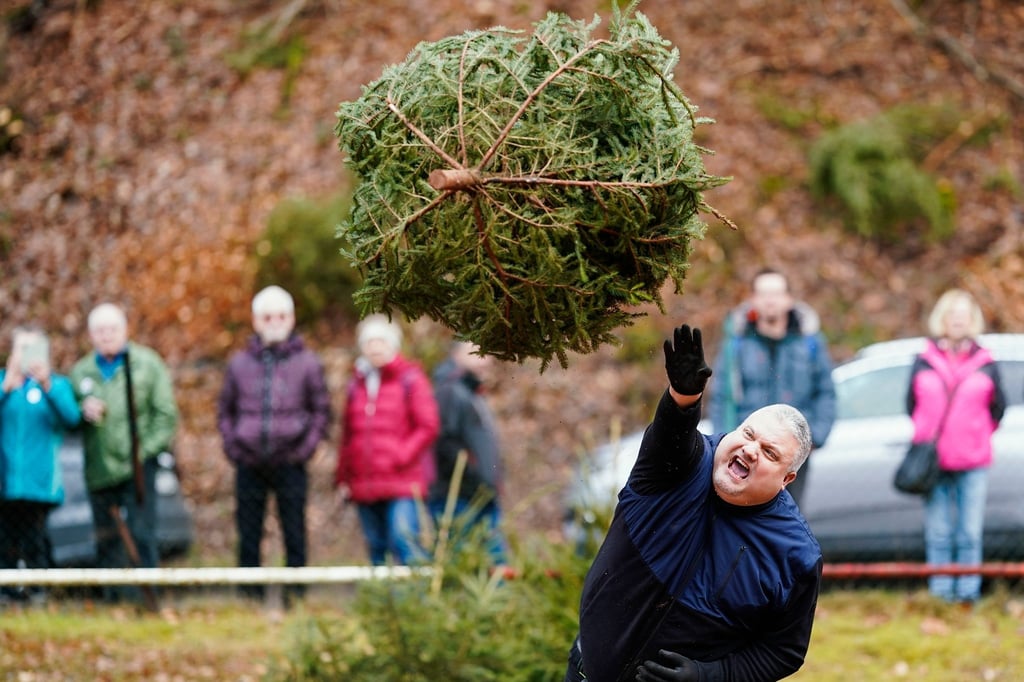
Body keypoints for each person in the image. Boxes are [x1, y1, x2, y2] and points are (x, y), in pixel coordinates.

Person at [566, 324, 821, 682]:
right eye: (748, 433)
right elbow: (672, 436)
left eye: (769, 452)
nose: (750, 449)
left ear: (787, 479)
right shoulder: (682, 467)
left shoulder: (794, 553)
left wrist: (710, 675)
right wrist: (683, 397)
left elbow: (784, 651)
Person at [217, 285, 332, 603]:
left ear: (291, 318)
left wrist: (304, 450)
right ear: (256, 321)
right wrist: (234, 448)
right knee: (248, 533)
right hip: (249, 462)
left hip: (290, 462)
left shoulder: (308, 363)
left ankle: (295, 598)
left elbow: (321, 411)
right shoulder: (239, 363)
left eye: (280, 316)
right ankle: (249, 598)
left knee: (294, 532)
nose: (274, 322)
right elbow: (225, 410)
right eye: (268, 316)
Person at [70, 303, 178, 603]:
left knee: (142, 533)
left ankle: (146, 600)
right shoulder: (81, 372)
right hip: (99, 468)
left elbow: (165, 415)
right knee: (106, 538)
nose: (106, 336)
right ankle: (112, 601)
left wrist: (143, 452)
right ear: (91, 335)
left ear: (125, 330)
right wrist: (82, 412)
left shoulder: (146, 364)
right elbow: (66, 416)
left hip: (139, 468)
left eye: (112, 329)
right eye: (100, 330)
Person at [907, 289, 1005, 604]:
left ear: (972, 320)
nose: (958, 320)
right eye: (953, 314)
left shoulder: (986, 362)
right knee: (938, 533)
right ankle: (940, 595)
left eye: (964, 314)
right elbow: (910, 404)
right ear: (943, 319)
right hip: (934, 462)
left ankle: (966, 596)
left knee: (969, 534)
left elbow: (998, 408)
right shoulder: (923, 361)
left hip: (973, 461)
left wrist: (976, 434)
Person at [708, 268, 836, 506]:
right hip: (745, 453)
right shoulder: (737, 344)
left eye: (776, 293)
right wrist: (723, 440)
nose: (770, 300)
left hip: (792, 452)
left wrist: (816, 437)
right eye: (763, 293)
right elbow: (722, 396)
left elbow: (826, 392)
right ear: (753, 299)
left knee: (788, 517)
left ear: (789, 299)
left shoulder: (810, 343)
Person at [336, 314, 439, 566]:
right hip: (365, 481)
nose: (375, 347)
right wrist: (343, 477)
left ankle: (415, 602)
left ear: (393, 344)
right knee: (376, 546)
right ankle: (382, 603)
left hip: (402, 480)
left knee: (403, 539)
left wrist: (401, 454)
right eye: (369, 342)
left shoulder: (410, 379)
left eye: (380, 341)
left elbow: (428, 425)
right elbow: (348, 435)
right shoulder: (357, 385)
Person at [0, 326, 81, 604]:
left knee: (35, 539)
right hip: (5, 481)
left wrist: (48, 385)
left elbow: (72, 419)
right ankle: (7, 594)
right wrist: (5, 388)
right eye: (21, 348)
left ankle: (39, 592)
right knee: (5, 541)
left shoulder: (55, 386)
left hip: (40, 483)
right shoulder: (4, 383)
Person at [428, 340, 507, 566]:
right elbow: (446, 442)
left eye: (486, 353)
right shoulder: (450, 390)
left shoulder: (471, 390)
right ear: (456, 355)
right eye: (475, 353)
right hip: (460, 496)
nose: (485, 360)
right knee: (459, 560)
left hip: (483, 492)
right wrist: (474, 476)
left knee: (494, 559)